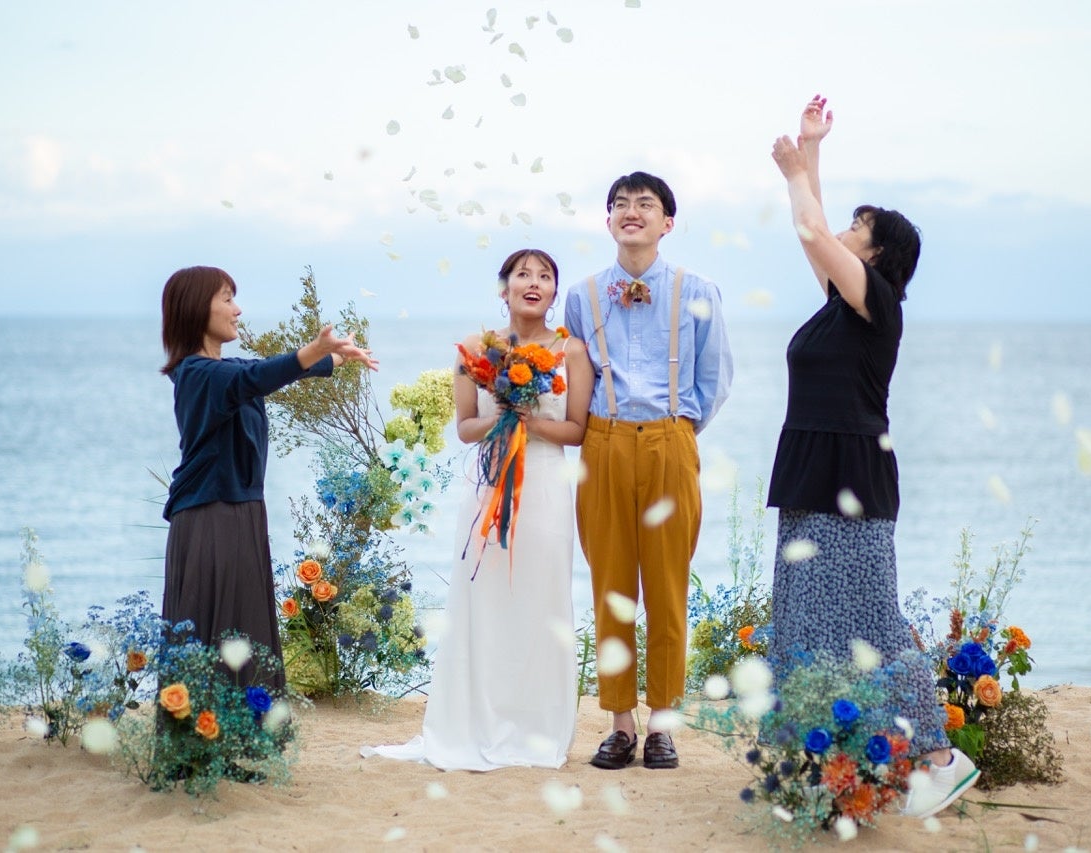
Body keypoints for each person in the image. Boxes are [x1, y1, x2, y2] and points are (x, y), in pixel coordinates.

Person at [765, 96, 978, 817]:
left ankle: (941, 758)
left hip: (852, 478)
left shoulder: (877, 301)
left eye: (859, 228)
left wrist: (794, 172)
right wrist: (812, 151)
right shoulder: (841, 301)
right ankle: (836, 766)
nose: (842, 233)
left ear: (880, 254)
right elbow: (815, 234)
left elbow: (810, 226)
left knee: (873, 621)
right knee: (807, 621)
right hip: (811, 471)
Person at [367, 249, 593, 770]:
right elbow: (466, 427)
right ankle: (475, 722)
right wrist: (504, 416)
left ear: (554, 293)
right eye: (523, 274)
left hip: (545, 485)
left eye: (544, 276)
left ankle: (536, 728)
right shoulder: (475, 348)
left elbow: (578, 430)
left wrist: (530, 421)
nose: (533, 283)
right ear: (504, 288)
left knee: (541, 599)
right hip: (488, 484)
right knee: (485, 600)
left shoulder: (572, 351)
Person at [564, 173, 734, 770]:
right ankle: (619, 724)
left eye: (646, 204)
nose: (631, 212)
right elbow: (576, 379)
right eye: (620, 204)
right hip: (603, 444)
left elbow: (714, 380)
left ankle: (662, 724)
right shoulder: (582, 296)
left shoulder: (698, 290)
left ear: (668, 222)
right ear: (608, 220)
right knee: (610, 587)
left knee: (667, 587)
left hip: (670, 442)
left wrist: (677, 434)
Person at [160, 265, 377, 692]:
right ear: (197, 309)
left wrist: (334, 357)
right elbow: (255, 377)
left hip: (239, 513)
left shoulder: (223, 371)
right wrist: (314, 348)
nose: (237, 310)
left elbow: (265, 372)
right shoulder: (199, 375)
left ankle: (245, 730)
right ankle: (204, 731)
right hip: (209, 518)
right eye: (227, 299)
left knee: (244, 634)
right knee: (211, 639)